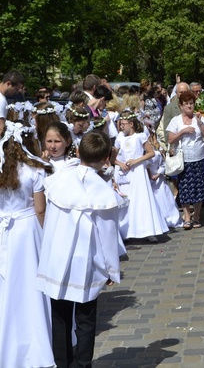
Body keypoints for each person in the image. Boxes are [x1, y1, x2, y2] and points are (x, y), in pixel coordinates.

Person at [0, 121, 54, 366]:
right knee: (28, 284)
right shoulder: (35, 172)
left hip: (1, 231)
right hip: (28, 232)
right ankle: (33, 341)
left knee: (1, 286)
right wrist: (49, 237)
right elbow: (40, 211)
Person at [37, 131, 122, 368]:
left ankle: (62, 363)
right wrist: (111, 270)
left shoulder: (59, 180)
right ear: (106, 158)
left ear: (77, 151)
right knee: (85, 319)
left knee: (60, 317)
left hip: (57, 258)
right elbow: (107, 237)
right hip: (86, 262)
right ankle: (83, 364)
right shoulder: (102, 192)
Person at [114, 113, 168, 242]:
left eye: (123, 124)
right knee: (126, 201)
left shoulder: (140, 137)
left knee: (142, 199)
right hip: (124, 172)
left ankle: (148, 230)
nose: (121, 126)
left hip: (138, 171)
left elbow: (150, 153)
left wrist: (136, 161)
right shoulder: (119, 138)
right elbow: (112, 157)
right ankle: (125, 230)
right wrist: (120, 163)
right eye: (120, 124)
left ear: (131, 124)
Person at [166, 91, 204, 229]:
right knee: (185, 189)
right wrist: (183, 132)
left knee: (199, 187)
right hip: (184, 158)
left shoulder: (199, 119)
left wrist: (199, 122)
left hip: (199, 157)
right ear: (181, 106)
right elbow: (171, 139)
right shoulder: (176, 120)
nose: (189, 106)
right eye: (186, 104)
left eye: (191, 103)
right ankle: (186, 216)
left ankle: (196, 216)